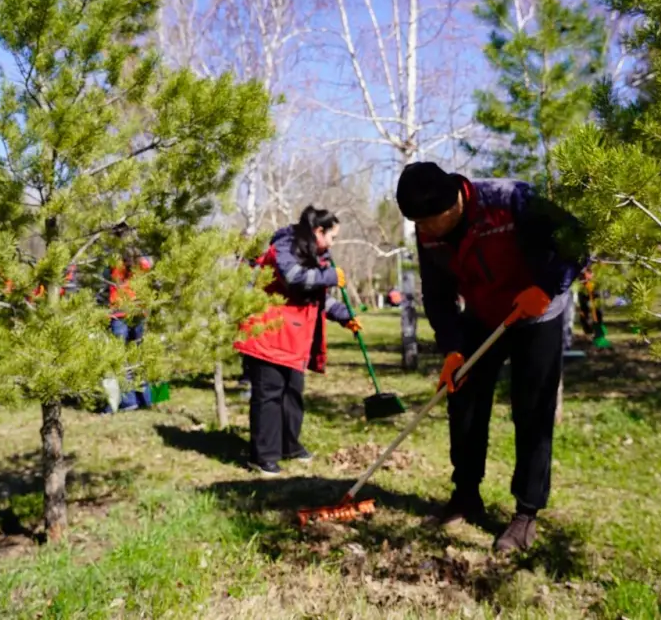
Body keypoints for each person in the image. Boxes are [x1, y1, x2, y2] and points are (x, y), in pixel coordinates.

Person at [395, 161, 590, 553]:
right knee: (463, 398)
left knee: (531, 409)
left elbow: (576, 240)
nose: (424, 230)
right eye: (418, 223)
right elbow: (437, 294)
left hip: (536, 312)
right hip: (484, 315)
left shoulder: (510, 200)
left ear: (453, 203)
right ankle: (466, 494)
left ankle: (526, 513)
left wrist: (548, 286)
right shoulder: (429, 232)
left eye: (429, 221)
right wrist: (452, 347)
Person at [234, 206, 361, 477]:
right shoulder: (285, 245)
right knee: (269, 395)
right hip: (269, 332)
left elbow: (316, 298)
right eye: (332, 237)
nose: (333, 243)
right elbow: (293, 278)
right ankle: (263, 457)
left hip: (294, 338)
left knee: (292, 394)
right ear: (318, 231)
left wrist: (344, 316)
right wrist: (329, 277)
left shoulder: (316, 255)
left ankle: (288, 445)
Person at [101, 224, 154, 412]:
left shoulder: (112, 257)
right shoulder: (140, 257)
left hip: (120, 313)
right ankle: (144, 399)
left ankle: (130, 401)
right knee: (137, 357)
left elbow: (104, 277)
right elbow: (149, 274)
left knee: (122, 359)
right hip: (137, 311)